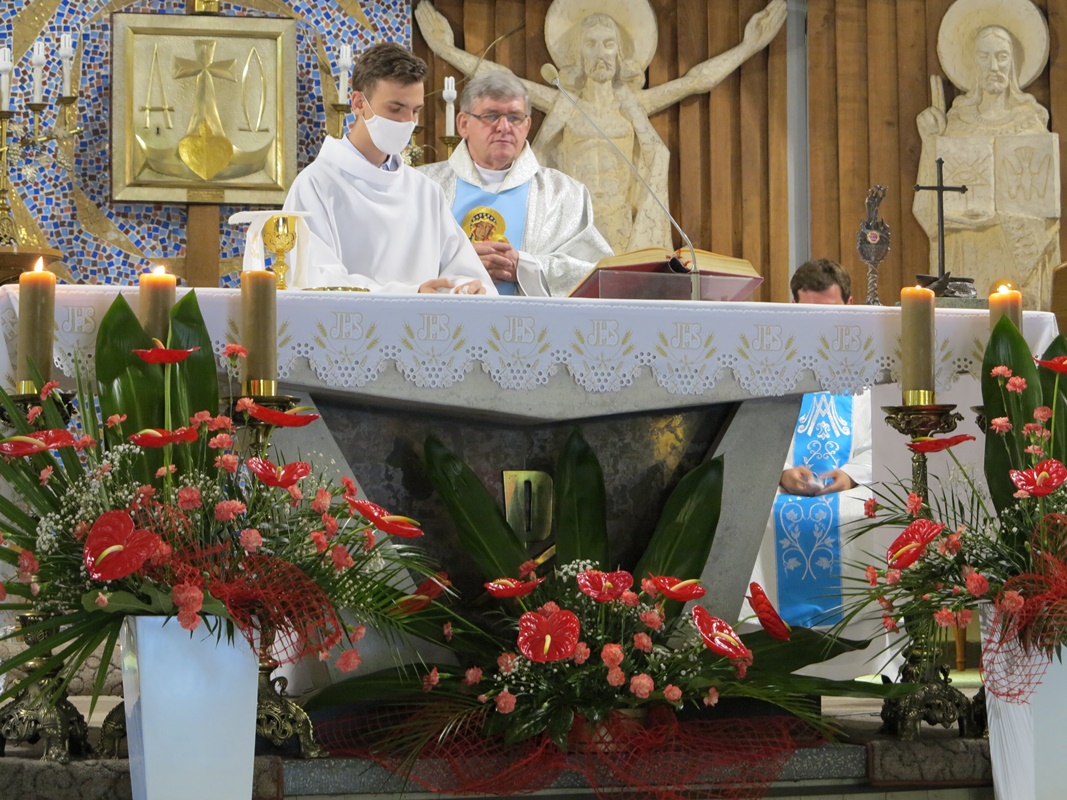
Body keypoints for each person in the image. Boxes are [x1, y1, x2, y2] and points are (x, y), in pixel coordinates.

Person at [415, 0, 786, 254]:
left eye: (608, 44)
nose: (600, 52)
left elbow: (695, 82)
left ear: (619, 52)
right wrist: (447, 50)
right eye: (591, 44)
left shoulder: (634, 104)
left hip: (623, 224)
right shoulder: (564, 102)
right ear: (578, 54)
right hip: (574, 227)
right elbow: (504, 78)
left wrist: (749, 46)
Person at [750, 259, 886, 679]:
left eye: (831, 312)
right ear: (794, 307)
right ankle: (768, 662)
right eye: (809, 312)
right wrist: (779, 471)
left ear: (850, 304)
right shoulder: (772, 361)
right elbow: (755, 433)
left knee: (871, 518)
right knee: (755, 516)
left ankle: (863, 660)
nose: (821, 323)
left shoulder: (871, 363)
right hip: (784, 486)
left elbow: (884, 439)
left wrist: (849, 475)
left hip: (853, 485)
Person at [283, 43, 495, 294]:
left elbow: (463, 271)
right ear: (358, 103)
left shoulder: (425, 191)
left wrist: (466, 288)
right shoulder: (315, 185)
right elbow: (316, 279)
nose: (408, 122)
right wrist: (411, 294)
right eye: (395, 109)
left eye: (415, 111)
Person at [420, 72, 613, 296]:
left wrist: (524, 268)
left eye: (515, 117)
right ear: (464, 124)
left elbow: (597, 274)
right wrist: (460, 263)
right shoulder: (423, 185)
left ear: (527, 125)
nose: (504, 127)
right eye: (491, 116)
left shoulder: (565, 194)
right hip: (443, 318)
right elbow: (395, 261)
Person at [914, 16, 1058, 309]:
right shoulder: (957, 125)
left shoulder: (1031, 123)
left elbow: (1046, 212)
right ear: (973, 65)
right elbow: (930, 207)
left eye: (1002, 57)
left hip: (1016, 253)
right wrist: (931, 143)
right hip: (967, 248)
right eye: (985, 57)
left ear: (1013, 63)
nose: (994, 66)